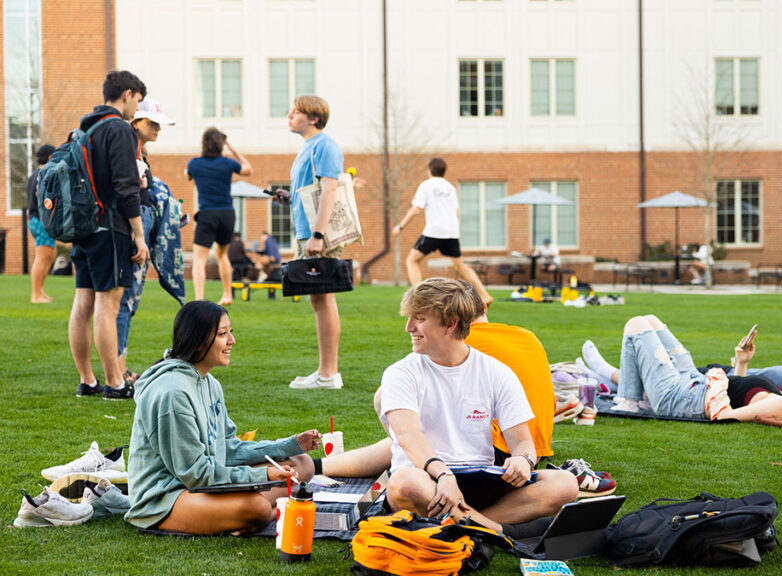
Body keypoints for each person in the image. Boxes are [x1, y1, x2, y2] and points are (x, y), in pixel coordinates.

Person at [378, 278, 577, 535]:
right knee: (403, 483)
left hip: (481, 480)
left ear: (450, 324)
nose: (408, 328)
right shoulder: (401, 372)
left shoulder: (496, 372)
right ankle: (492, 530)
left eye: (419, 319)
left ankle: (468, 524)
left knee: (566, 484)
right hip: (428, 478)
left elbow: (523, 443)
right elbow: (408, 437)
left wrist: (524, 460)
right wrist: (444, 476)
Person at [125, 301, 318, 534]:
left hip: (202, 484)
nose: (232, 341)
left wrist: (290, 445)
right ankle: (249, 514)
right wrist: (263, 474)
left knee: (302, 464)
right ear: (197, 342)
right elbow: (195, 473)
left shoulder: (210, 383)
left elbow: (227, 448)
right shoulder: (173, 394)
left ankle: (234, 516)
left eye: (230, 332)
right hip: (165, 497)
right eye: (222, 334)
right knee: (256, 508)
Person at [581, 315, 782, 424]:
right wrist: (742, 363)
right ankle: (615, 381)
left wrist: (716, 383)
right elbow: (738, 395)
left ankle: (627, 401)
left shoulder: (781, 406)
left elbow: (727, 415)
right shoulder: (780, 396)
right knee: (651, 321)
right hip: (694, 383)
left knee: (636, 324)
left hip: (683, 397)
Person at [68, 70, 151, 400]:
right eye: (138, 102)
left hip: (83, 227)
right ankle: (115, 383)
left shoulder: (85, 129)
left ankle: (87, 380)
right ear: (128, 95)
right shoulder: (119, 129)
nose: (137, 111)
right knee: (108, 304)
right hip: (110, 227)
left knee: (83, 302)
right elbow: (126, 187)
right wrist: (139, 235)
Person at [278, 94, 364, 390]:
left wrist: (317, 235)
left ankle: (329, 374)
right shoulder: (309, 147)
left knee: (324, 299)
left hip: (319, 235)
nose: (290, 115)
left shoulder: (325, 146)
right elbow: (312, 191)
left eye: (296, 112)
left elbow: (330, 190)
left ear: (314, 118)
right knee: (319, 300)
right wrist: (289, 198)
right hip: (308, 231)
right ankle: (325, 372)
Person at [117, 97, 175, 385]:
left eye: (159, 124)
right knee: (123, 303)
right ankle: (116, 369)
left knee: (129, 303)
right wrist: (139, 236)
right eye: (152, 123)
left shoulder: (138, 152)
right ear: (135, 121)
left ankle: (120, 367)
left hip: (140, 226)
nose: (157, 129)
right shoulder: (127, 148)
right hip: (131, 230)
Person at [392, 158, 492, 306]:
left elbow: (415, 210)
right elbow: (457, 213)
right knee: (460, 266)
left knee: (412, 260)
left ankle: (419, 298)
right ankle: (485, 295)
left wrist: (400, 226)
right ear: (444, 171)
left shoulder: (426, 185)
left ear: (429, 171)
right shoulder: (450, 187)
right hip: (452, 231)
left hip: (434, 231)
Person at [186, 127, 252, 305]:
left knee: (199, 258)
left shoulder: (194, 164)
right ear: (222, 145)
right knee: (222, 255)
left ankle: (199, 298)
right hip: (227, 214)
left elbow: (187, 176)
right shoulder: (227, 163)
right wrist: (235, 151)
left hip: (207, 214)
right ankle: (227, 294)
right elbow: (248, 169)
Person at [27, 144, 57, 303]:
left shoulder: (35, 174)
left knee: (50, 254)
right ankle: (36, 294)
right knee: (43, 256)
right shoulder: (44, 174)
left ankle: (40, 291)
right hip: (40, 220)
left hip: (37, 219)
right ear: (51, 157)